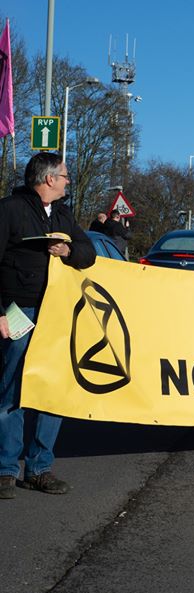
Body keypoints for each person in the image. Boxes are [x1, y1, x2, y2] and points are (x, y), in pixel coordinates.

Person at [0, 152, 96, 498]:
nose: (68, 182)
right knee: (12, 388)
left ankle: (40, 467)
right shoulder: (10, 209)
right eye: (65, 176)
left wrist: (68, 251)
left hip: (56, 311)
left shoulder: (63, 214)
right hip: (19, 310)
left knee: (52, 389)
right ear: (48, 179)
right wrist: (0, 313)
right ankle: (6, 469)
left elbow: (89, 252)